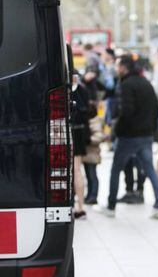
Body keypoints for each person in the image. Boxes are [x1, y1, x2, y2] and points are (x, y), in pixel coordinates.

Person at [103, 55, 158, 219]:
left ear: (124, 67)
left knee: (116, 169)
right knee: (149, 169)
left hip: (129, 136)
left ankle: (110, 205)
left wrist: (117, 131)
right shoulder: (146, 83)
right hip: (146, 135)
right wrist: (150, 129)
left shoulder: (126, 84)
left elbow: (127, 112)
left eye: (117, 66)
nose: (116, 69)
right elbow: (156, 110)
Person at [71, 71, 91, 219]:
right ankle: (81, 206)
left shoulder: (63, 86)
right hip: (80, 132)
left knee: (71, 170)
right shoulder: (83, 89)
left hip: (66, 131)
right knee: (77, 169)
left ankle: (74, 205)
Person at [83, 116, 105, 205]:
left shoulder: (95, 122)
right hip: (87, 154)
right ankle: (89, 195)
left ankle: (93, 196)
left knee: (92, 176)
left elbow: (99, 137)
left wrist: (88, 140)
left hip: (93, 154)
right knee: (88, 176)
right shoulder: (87, 121)